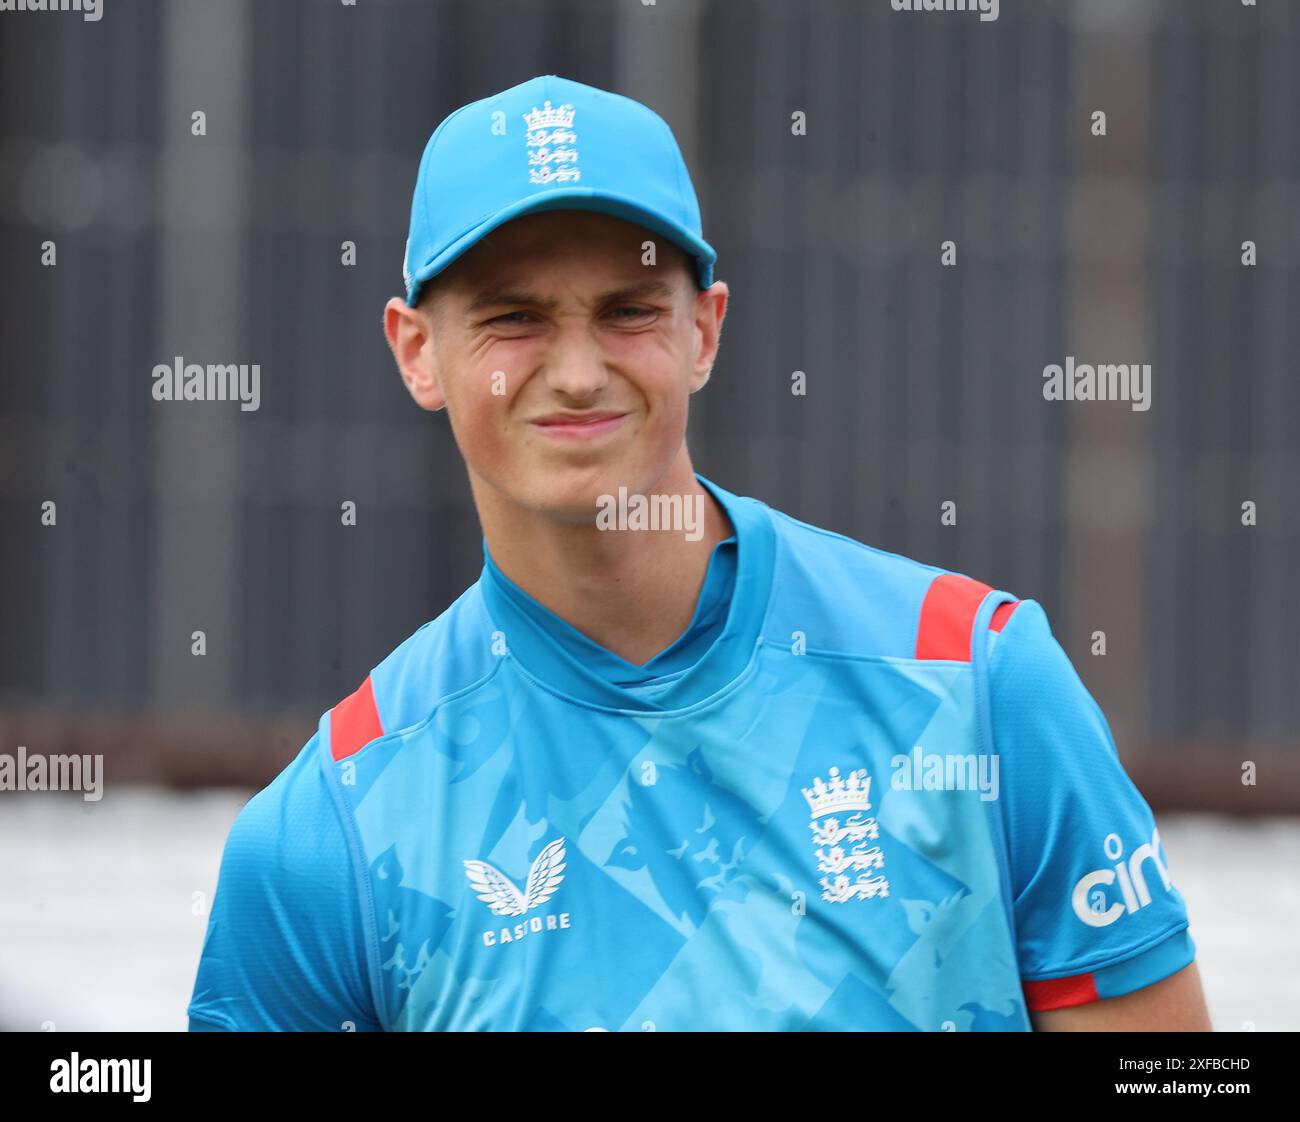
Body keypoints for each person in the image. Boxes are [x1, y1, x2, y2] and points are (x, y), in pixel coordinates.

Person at [187, 74, 1211, 1032]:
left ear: (704, 332)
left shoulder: (978, 686)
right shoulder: (330, 837)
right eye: (513, 319)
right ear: (418, 351)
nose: (578, 373)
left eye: (628, 311)